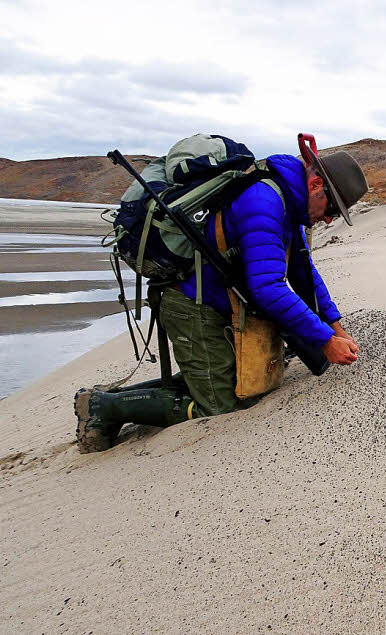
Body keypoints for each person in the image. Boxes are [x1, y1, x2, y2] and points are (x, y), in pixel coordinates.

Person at [74, 149, 369, 453]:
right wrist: (324, 340)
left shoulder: (287, 204)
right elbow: (268, 287)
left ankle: (115, 400)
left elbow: (303, 272)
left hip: (217, 298)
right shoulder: (264, 201)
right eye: (331, 208)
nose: (328, 218)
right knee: (218, 404)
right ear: (315, 184)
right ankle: (103, 407)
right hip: (191, 300)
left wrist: (335, 327)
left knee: (225, 376)